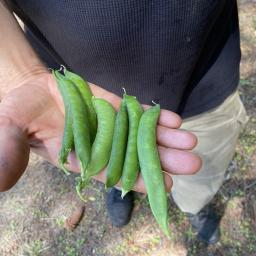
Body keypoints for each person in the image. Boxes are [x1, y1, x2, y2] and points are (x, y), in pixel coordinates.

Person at [0, 0, 248, 245]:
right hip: (80, 90)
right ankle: (120, 186)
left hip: (205, 78)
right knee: (112, 156)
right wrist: (24, 75)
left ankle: (196, 207)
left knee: (200, 172)